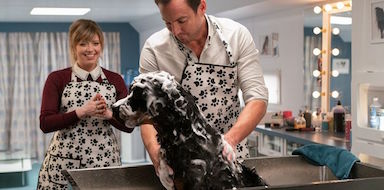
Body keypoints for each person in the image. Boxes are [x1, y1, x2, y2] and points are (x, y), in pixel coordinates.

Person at [140, 0, 268, 189]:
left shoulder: (235, 36)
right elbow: (147, 115)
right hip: (181, 167)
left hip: (230, 158)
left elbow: (257, 97)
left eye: (182, 21)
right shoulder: (154, 49)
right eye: (167, 23)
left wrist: (228, 142)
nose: (175, 30)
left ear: (202, 7)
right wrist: (158, 159)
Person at [37, 19, 133, 189]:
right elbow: (45, 123)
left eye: (95, 43)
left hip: (104, 160)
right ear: (74, 47)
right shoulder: (57, 79)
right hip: (64, 162)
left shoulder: (115, 80)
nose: (90, 49)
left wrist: (109, 115)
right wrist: (80, 112)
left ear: (101, 45)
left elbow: (129, 126)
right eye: (83, 44)